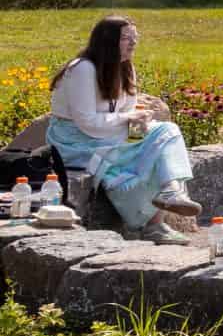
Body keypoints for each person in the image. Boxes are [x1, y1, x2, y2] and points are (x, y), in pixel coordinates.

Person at [47, 15, 199, 243]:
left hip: (105, 134)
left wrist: (138, 121)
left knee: (164, 134)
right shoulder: (82, 69)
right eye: (126, 38)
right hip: (75, 142)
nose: (133, 43)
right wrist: (128, 117)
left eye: (135, 38)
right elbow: (87, 122)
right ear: (107, 41)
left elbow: (124, 112)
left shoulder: (125, 68)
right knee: (160, 139)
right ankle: (156, 219)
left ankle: (165, 201)